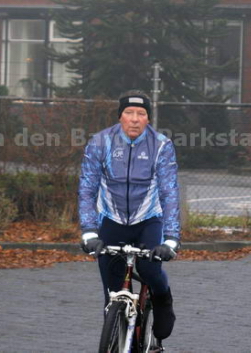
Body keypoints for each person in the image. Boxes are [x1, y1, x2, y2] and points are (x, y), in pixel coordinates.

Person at [78, 90, 181, 341]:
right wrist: (89, 232)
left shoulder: (161, 145)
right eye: (129, 112)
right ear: (120, 116)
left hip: (148, 220)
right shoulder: (100, 142)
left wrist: (171, 239)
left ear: (148, 118)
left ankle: (163, 299)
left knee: (149, 270)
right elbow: (87, 188)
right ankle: (116, 337)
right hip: (111, 220)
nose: (135, 119)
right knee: (112, 291)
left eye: (141, 113)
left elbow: (169, 192)